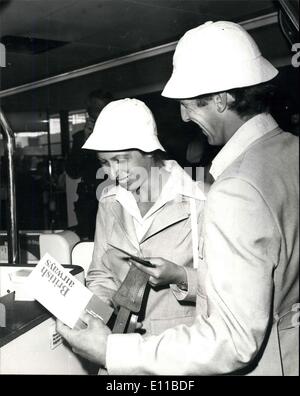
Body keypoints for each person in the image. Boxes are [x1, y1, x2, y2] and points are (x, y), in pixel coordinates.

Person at [57, 21, 299, 376]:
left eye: (189, 105)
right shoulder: (290, 152)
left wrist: (114, 349)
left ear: (222, 98)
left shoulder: (227, 191)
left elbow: (231, 340)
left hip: (195, 357)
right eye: (104, 162)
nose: (184, 117)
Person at [85, 98, 205, 338]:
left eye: (121, 159)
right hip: (122, 344)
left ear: (150, 151)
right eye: (104, 162)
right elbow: (101, 274)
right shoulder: (110, 201)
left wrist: (180, 276)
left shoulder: (199, 199)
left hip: (181, 347)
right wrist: (97, 311)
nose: (113, 173)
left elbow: (225, 287)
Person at [65, 90, 113, 240]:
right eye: (96, 110)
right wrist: (84, 141)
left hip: (113, 197)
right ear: (89, 112)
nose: (100, 114)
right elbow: (72, 171)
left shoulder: (119, 135)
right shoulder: (80, 137)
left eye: (104, 109)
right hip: (90, 200)